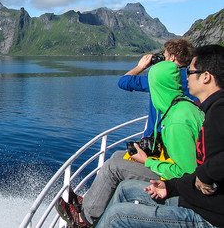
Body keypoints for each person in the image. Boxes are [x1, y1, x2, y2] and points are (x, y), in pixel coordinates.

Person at [57, 60, 204, 228]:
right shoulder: (180, 107)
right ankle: (92, 204)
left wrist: (147, 161)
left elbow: (187, 173)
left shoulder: (177, 121)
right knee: (118, 156)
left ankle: (84, 219)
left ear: (158, 86)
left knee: (113, 167)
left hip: (176, 183)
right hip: (170, 166)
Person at [95, 44, 224, 227]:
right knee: (124, 187)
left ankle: (87, 218)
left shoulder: (188, 117)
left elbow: (189, 170)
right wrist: (170, 187)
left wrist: (148, 162)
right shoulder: (201, 108)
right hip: (192, 195)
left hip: (207, 213)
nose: (185, 77)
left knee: (117, 214)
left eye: (190, 72)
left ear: (206, 77)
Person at [118, 38, 198, 138]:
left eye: (164, 56)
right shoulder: (196, 78)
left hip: (159, 137)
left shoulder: (160, 78)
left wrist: (141, 67)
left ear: (172, 57)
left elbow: (123, 82)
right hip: (188, 134)